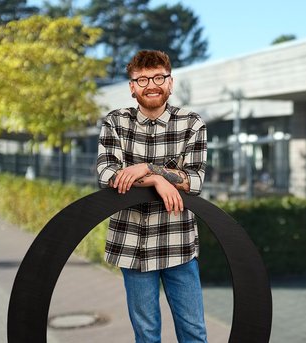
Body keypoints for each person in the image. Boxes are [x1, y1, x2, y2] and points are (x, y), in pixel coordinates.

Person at [96, 50, 208, 343]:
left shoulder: (192, 123)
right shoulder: (115, 122)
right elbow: (108, 175)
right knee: (146, 336)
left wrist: (150, 170)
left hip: (178, 244)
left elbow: (195, 179)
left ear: (170, 83)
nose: (151, 84)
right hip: (132, 245)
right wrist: (160, 180)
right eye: (142, 79)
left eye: (159, 77)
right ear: (132, 87)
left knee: (194, 333)